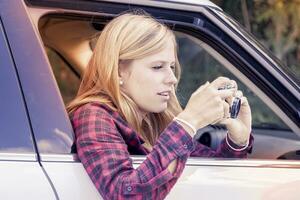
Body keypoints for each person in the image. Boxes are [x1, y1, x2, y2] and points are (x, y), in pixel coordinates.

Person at [67, 11, 253, 200]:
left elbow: (202, 176)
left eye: (171, 67)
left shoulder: (154, 119)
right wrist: (189, 121)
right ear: (117, 71)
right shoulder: (93, 116)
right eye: (157, 67)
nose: (172, 79)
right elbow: (125, 195)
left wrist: (237, 142)